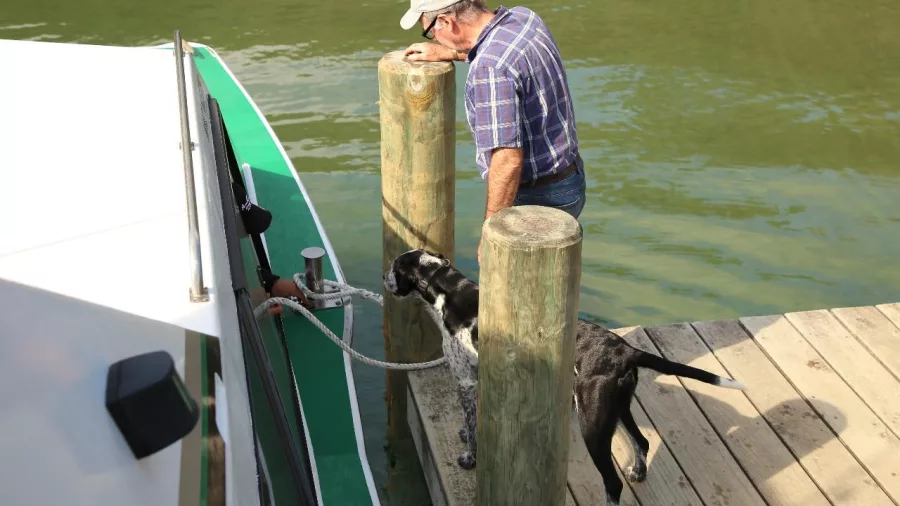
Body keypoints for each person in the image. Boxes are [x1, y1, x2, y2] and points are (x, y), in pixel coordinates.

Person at [399, 0, 585, 263]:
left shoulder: (490, 69)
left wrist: (492, 234)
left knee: (513, 293)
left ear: (445, 21)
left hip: (537, 200)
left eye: (430, 30)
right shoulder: (524, 19)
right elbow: (503, 52)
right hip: (571, 180)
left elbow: (507, 161)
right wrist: (452, 53)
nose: (435, 38)